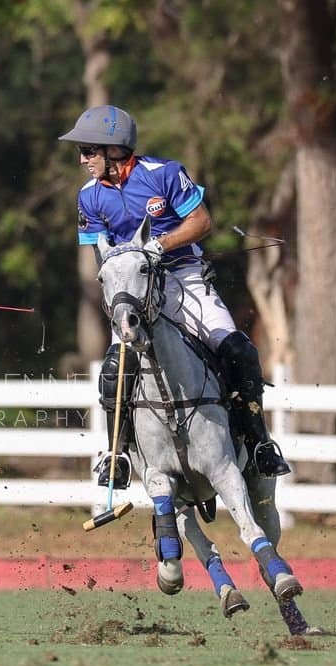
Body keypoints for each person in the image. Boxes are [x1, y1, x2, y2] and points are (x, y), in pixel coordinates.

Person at [58, 105, 290, 480]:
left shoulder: (164, 174)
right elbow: (99, 249)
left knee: (238, 350)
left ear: (113, 149)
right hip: (136, 290)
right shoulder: (88, 196)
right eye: (81, 152)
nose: (82, 160)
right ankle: (117, 456)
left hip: (184, 278)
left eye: (87, 151)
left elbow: (202, 221)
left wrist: (160, 245)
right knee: (115, 369)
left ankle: (260, 442)